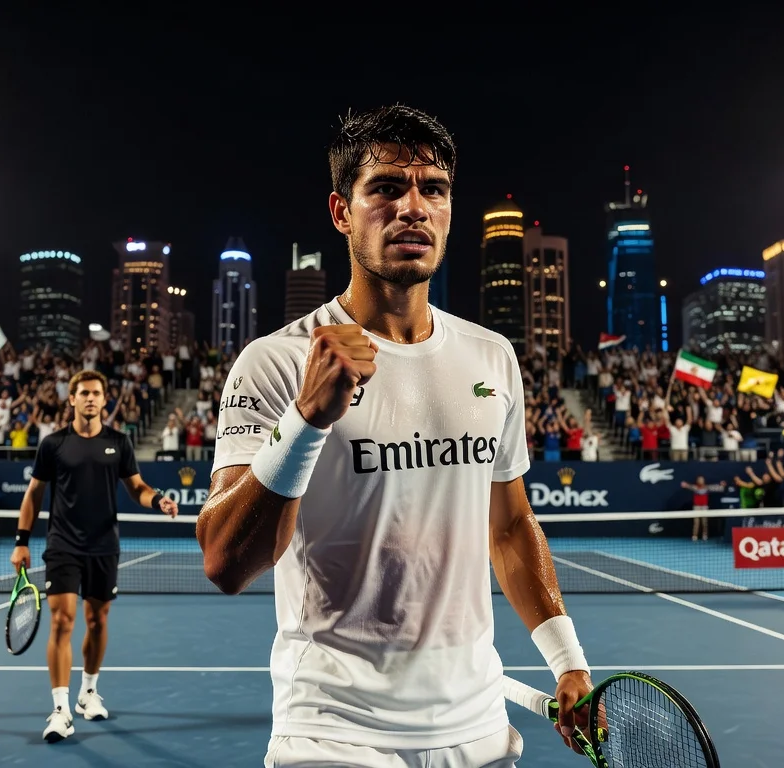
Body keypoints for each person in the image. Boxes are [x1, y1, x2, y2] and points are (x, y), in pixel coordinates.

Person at [195, 105, 594, 768]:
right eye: (385, 188)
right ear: (340, 211)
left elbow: (510, 527)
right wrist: (307, 418)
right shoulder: (275, 361)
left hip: (479, 732)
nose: (413, 207)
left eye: (432, 189)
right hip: (334, 733)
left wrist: (568, 660)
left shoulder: (492, 357)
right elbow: (223, 562)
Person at [10, 369, 180, 743]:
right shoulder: (53, 444)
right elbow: (34, 495)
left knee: (98, 620)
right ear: (71, 399)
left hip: (104, 545)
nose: (90, 398)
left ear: (105, 400)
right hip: (63, 544)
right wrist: (21, 540)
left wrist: (158, 500)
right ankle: (60, 710)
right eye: (83, 393)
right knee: (62, 620)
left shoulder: (119, 443)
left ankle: (89, 690)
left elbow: (136, 488)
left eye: (96, 393)